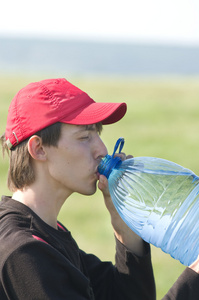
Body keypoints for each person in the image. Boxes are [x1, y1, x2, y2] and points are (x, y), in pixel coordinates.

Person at [0, 78, 198, 300]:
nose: (102, 150)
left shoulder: (46, 231)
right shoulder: (25, 252)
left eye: (98, 135)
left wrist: (125, 230)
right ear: (39, 148)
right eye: (84, 137)